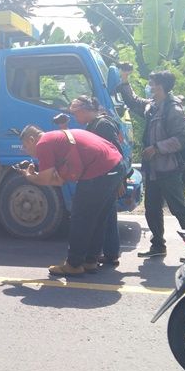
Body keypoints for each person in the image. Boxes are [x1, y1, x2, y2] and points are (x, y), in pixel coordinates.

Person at [18, 125, 124, 276]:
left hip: (99, 170)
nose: (26, 150)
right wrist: (38, 175)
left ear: (31, 139)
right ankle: (90, 261)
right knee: (97, 218)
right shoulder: (57, 138)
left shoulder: (43, 143)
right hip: (115, 166)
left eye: (25, 146)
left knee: (80, 218)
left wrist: (29, 176)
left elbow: (46, 179)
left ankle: (74, 265)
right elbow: (58, 181)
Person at [117, 67, 185, 258]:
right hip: (153, 169)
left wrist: (157, 148)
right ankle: (158, 246)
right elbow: (133, 102)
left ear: (160, 87)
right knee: (152, 209)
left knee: (180, 210)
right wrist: (125, 80)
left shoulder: (173, 109)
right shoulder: (153, 106)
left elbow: (182, 138)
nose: (149, 86)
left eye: (152, 83)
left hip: (169, 169)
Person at [68, 95, 124, 266]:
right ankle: (110, 253)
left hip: (107, 176)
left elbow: (116, 152)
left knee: (105, 216)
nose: (76, 119)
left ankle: (109, 253)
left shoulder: (103, 125)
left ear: (85, 111)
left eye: (76, 114)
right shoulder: (95, 124)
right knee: (106, 215)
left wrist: (120, 181)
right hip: (107, 176)